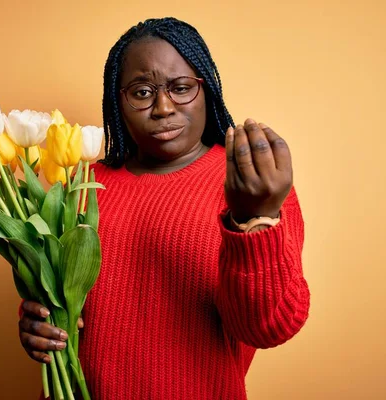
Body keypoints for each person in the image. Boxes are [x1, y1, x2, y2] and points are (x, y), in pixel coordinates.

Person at [18, 17, 310, 399]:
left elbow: (266, 329)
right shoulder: (82, 185)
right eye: (141, 92)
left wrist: (252, 220)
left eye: (181, 88)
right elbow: (63, 300)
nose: (163, 107)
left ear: (207, 89)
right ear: (116, 100)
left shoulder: (251, 185)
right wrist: (37, 325)